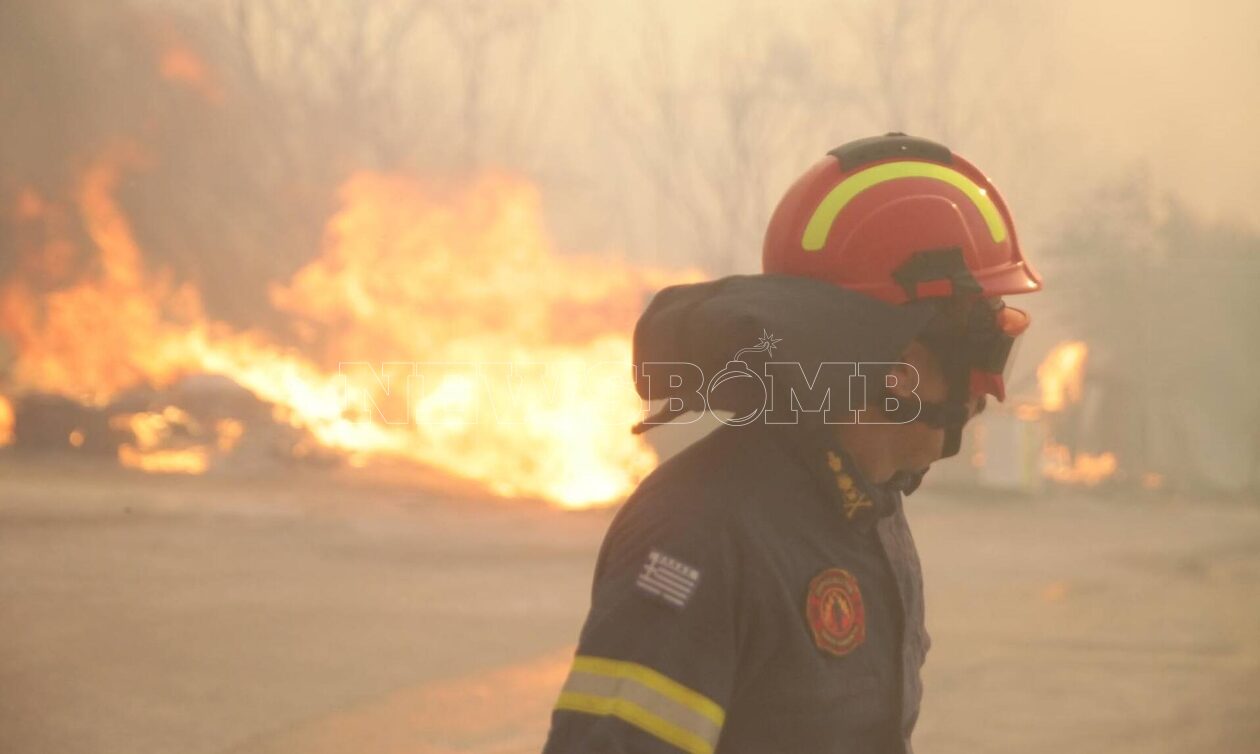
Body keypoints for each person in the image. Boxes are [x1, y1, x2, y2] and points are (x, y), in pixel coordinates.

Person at [541, 133, 1042, 754]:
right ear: (900, 368)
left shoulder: (865, 507)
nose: (991, 390)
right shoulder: (701, 534)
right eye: (986, 350)